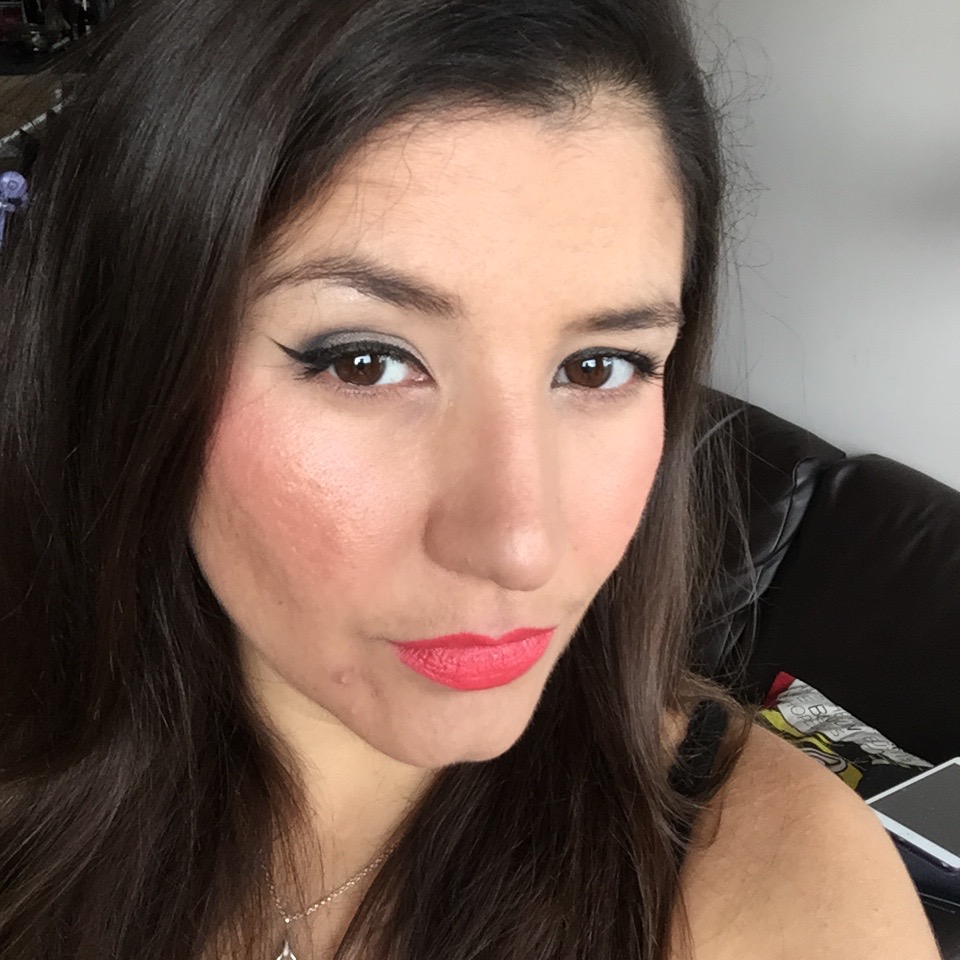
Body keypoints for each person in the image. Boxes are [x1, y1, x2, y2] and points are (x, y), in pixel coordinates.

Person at [0, 1, 940, 958]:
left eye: (599, 367)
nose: (520, 545)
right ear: (129, 359)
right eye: (365, 361)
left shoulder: (783, 891)